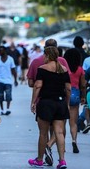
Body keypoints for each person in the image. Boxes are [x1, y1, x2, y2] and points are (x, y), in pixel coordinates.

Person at [26, 38, 70, 166]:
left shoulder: (42, 68)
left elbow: (37, 86)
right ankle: (62, 160)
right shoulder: (63, 69)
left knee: (43, 133)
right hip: (60, 103)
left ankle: (39, 160)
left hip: (46, 103)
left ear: (47, 55)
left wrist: (33, 102)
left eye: (45, 55)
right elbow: (68, 88)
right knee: (59, 132)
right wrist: (66, 102)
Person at [63, 48, 86, 153]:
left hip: (64, 93)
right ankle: (74, 141)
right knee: (73, 122)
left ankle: (61, 143)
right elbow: (83, 85)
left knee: (62, 123)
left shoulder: (63, 68)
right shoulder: (80, 69)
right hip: (75, 94)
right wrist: (83, 97)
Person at [0, 45, 18, 115]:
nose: (0, 51)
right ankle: (2, 109)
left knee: (8, 95)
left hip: (8, 81)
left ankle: (8, 109)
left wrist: (15, 80)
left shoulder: (10, 59)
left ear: (5, 51)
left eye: (2, 50)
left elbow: (13, 70)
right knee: (0, 96)